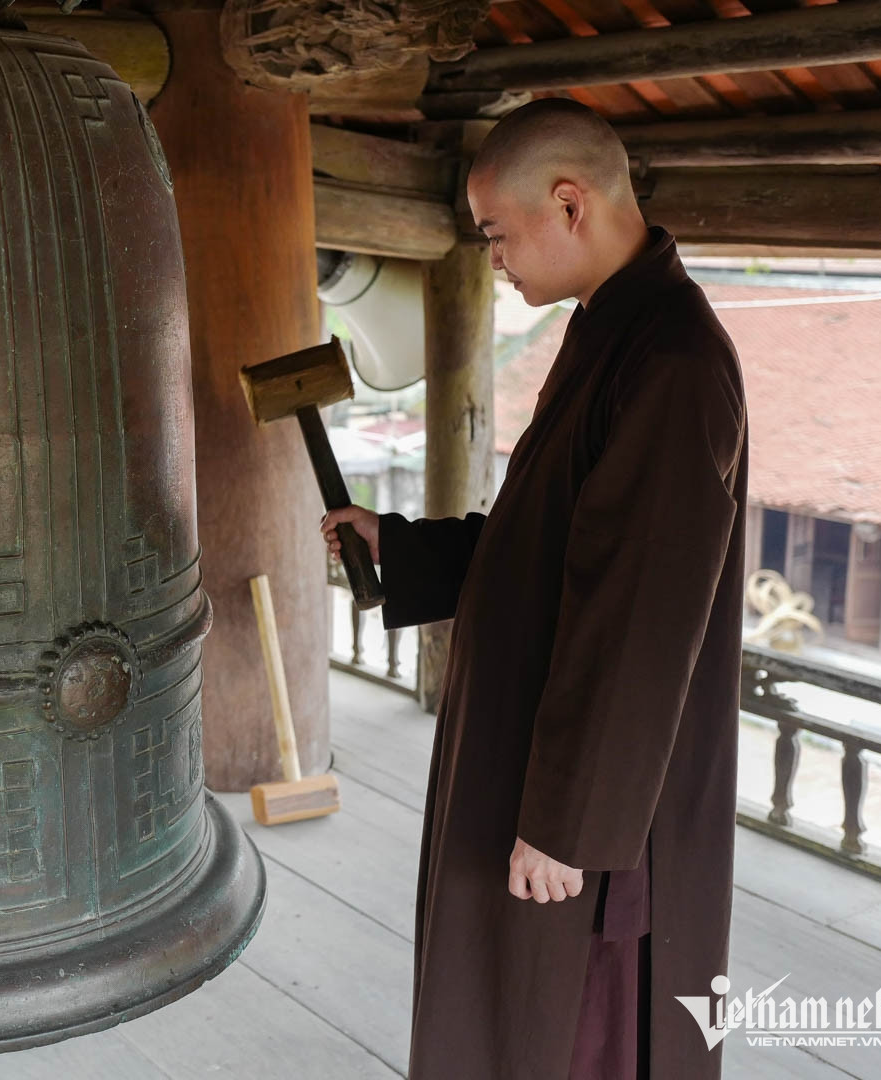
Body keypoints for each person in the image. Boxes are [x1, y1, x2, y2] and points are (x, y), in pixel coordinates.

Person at [323, 97, 748, 1080]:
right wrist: (405, 546)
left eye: (497, 235)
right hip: (538, 753)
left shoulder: (673, 362)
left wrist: (568, 826)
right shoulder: (613, 328)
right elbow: (553, 543)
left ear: (569, 203)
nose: (495, 258)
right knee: (515, 1011)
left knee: (572, 1026)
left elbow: (638, 618)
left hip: (590, 805)